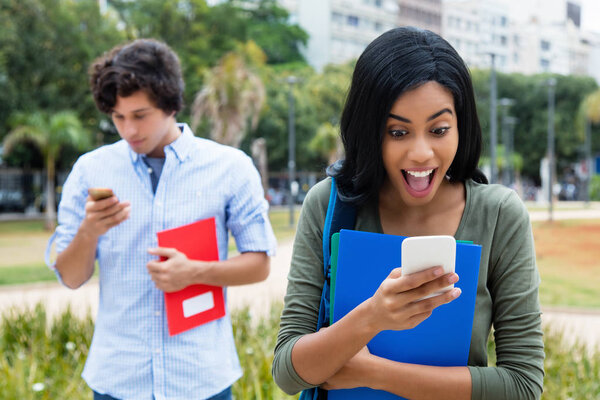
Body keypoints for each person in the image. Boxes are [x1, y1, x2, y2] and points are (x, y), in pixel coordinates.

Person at [272, 27, 544, 399]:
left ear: (460, 128)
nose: (421, 152)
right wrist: (372, 317)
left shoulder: (499, 214)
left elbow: (523, 385)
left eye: (439, 129)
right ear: (370, 133)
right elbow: (289, 372)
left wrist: (374, 373)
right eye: (398, 132)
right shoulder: (329, 204)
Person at [46, 39, 276, 400]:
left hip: (200, 378)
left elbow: (260, 264)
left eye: (140, 115)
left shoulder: (230, 168)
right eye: (118, 117)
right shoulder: (91, 170)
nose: (129, 130)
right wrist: (89, 232)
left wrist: (196, 272)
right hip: (118, 380)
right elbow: (71, 278)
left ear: (170, 104)